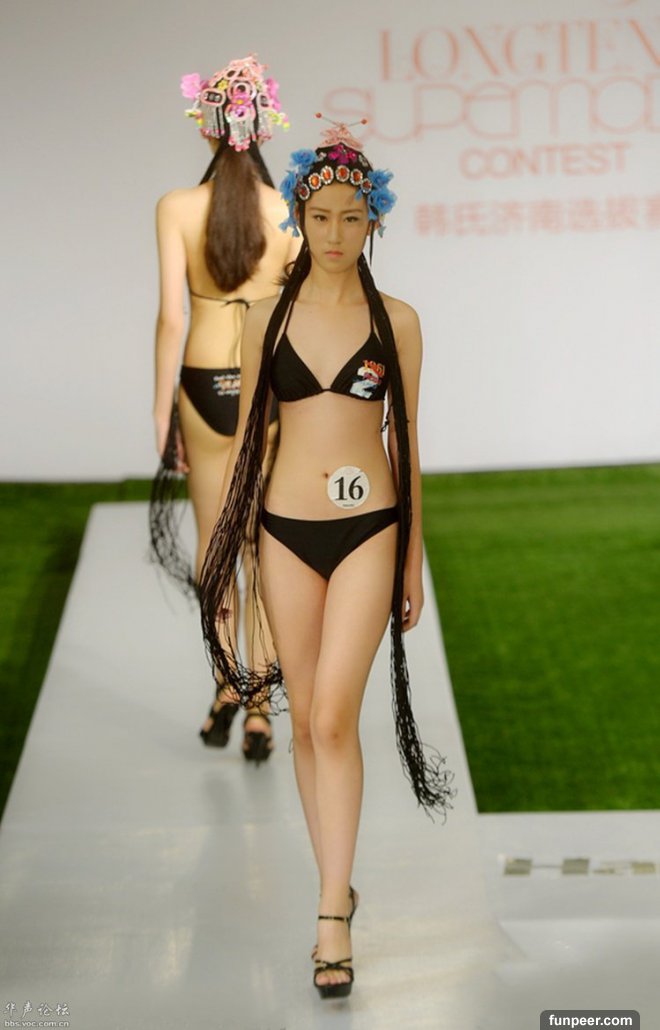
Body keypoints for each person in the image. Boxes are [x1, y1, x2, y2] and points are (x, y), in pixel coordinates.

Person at [199, 119, 455, 998]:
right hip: (282, 533)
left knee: (336, 720)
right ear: (299, 218)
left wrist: (412, 559)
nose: (337, 233)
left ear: (373, 219)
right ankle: (335, 886)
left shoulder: (398, 322)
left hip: (369, 531)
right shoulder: (265, 319)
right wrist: (227, 555)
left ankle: (330, 919)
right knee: (307, 721)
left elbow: (407, 442)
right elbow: (246, 447)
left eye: (353, 217)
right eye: (322, 216)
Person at [149, 54, 297, 763]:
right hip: (269, 390)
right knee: (263, 547)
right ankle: (262, 706)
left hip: (204, 385)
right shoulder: (289, 210)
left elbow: (171, 319)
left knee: (217, 549)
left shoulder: (176, 208)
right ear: (265, 126)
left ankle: (225, 688)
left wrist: (161, 415)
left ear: (207, 128)